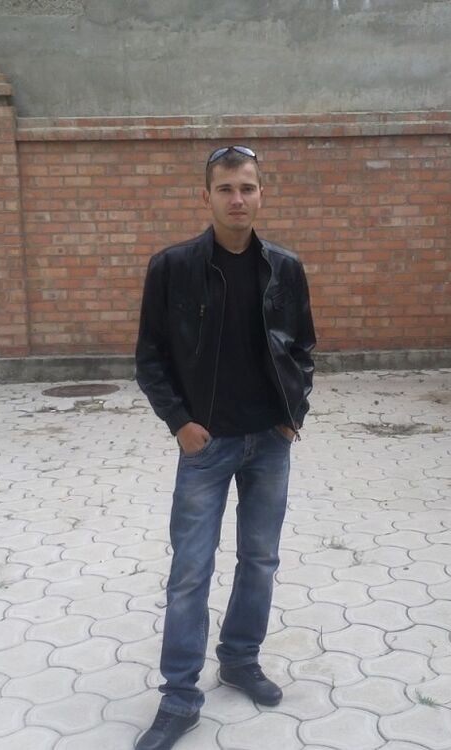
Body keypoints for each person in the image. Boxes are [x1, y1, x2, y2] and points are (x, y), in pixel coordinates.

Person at [133, 145, 316, 750]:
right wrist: (180, 423)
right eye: (226, 189)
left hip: (270, 442)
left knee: (260, 560)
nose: (238, 199)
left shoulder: (284, 268)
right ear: (206, 196)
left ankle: (239, 659)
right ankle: (180, 696)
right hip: (205, 445)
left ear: (262, 193)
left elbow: (303, 349)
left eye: (247, 188)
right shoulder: (173, 267)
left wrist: (292, 417)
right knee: (191, 570)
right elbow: (150, 358)